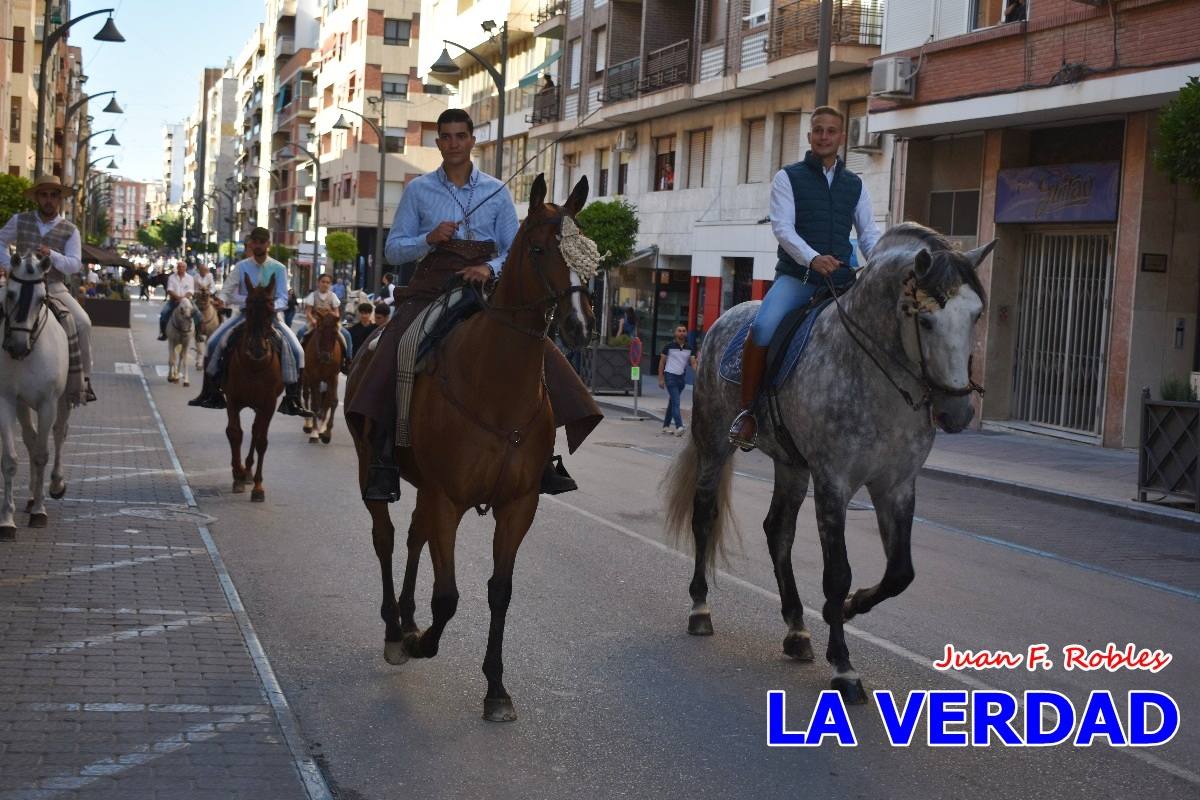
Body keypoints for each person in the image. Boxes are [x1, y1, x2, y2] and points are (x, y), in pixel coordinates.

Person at [345, 107, 602, 503]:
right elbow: (394, 249)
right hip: (432, 287)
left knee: (536, 348)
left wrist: (488, 267)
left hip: (486, 292)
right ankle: (382, 451)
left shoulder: (497, 192)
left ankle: (543, 454)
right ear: (438, 143)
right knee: (401, 345)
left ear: (471, 140)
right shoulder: (418, 191)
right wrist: (428, 238)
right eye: (445, 137)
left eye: (460, 136)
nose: (453, 144)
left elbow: (513, 249)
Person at [728, 106, 882, 451]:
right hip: (797, 279)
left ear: (842, 137)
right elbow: (783, 228)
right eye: (818, 130)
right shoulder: (788, 177)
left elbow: (869, 233)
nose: (824, 136)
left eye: (831, 131)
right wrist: (813, 259)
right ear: (810, 136)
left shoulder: (855, 184)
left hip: (843, 280)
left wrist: (880, 262)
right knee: (764, 326)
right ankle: (748, 413)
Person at [188, 227, 307, 415]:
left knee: (298, 351)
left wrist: (269, 306)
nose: (258, 245)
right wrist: (223, 300)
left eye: (262, 242)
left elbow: (284, 297)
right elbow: (227, 290)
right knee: (212, 343)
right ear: (251, 244)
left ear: (268, 244)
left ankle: (293, 399)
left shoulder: (279, 268)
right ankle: (209, 392)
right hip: (244, 315)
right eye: (255, 242)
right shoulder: (242, 266)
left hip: (271, 317)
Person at [0, 174, 97, 403]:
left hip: (53, 286)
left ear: (60, 199)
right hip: (19, 284)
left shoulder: (70, 229)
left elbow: (74, 264)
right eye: (44, 195)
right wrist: (10, 266)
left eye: (54, 195)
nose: (49, 200)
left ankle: (83, 381)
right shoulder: (19, 220)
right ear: (37, 197)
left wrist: (52, 255)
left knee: (83, 323)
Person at [296, 273, 353, 365]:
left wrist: (331, 315)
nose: (325, 284)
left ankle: (348, 359)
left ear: (330, 284)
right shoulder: (312, 295)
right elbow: (308, 312)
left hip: (330, 323)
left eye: (328, 282)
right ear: (318, 283)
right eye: (323, 282)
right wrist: (313, 320)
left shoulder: (333, 296)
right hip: (315, 322)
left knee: (346, 335)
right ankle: (298, 358)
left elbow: (337, 313)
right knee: (301, 332)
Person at [658, 325, 697, 436]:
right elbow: (662, 363)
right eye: (679, 331)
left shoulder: (689, 348)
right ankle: (679, 426)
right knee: (676, 402)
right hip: (670, 376)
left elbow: (693, 363)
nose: (681, 333)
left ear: (686, 334)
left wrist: (698, 372)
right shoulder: (668, 347)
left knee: (672, 402)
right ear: (675, 333)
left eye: (684, 331)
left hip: (681, 379)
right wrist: (661, 379)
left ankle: (665, 426)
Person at [158, 260, 202, 340]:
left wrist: (183, 298)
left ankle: (198, 334)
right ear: (177, 268)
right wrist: (178, 298)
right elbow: (169, 290)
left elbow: (191, 291)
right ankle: (163, 333)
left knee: (198, 315)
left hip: (187, 301)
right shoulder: (171, 277)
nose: (181, 268)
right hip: (174, 300)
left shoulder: (190, 278)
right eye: (179, 267)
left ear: (185, 268)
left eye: (183, 267)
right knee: (163, 314)